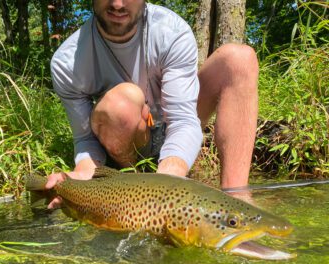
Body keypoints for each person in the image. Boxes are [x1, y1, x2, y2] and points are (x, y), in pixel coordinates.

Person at [47, 0, 258, 208]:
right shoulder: (68, 62)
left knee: (238, 60)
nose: (118, 4)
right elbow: (85, 139)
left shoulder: (172, 32)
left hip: (174, 124)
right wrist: (83, 172)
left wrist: (169, 177)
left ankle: (237, 197)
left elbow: (183, 120)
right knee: (120, 103)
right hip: (128, 136)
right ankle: (136, 182)